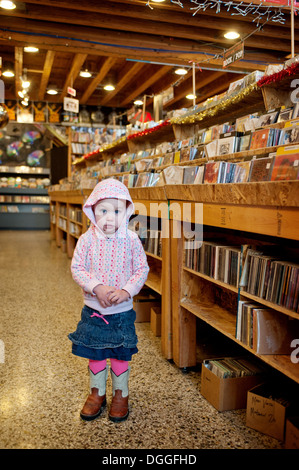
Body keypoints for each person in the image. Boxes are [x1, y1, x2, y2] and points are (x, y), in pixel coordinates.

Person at [68, 178, 149, 422]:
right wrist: (97, 287)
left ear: (127, 211)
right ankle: (97, 393)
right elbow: (77, 268)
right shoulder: (86, 240)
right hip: (94, 311)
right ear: (92, 211)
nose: (110, 217)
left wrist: (126, 290)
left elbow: (141, 269)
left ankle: (121, 395)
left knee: (120, 354)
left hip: (122, 313)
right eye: (104, 210)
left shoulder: (132, 240)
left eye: (117, 210)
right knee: (96, 352)